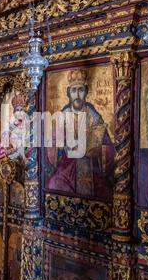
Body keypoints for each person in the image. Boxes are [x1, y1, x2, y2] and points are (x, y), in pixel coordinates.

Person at [47, 70, 115, 198]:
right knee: (53, 185)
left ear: (86, 92)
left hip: (93, 168)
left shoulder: (95, 117)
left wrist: (100, 151)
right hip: (67, 169)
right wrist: (63, 147)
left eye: (81, 90)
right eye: (74, 91)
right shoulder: (63, 117)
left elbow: (109, 148)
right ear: (68, 93)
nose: (77, 95)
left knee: (107, 192)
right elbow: (52, 146)